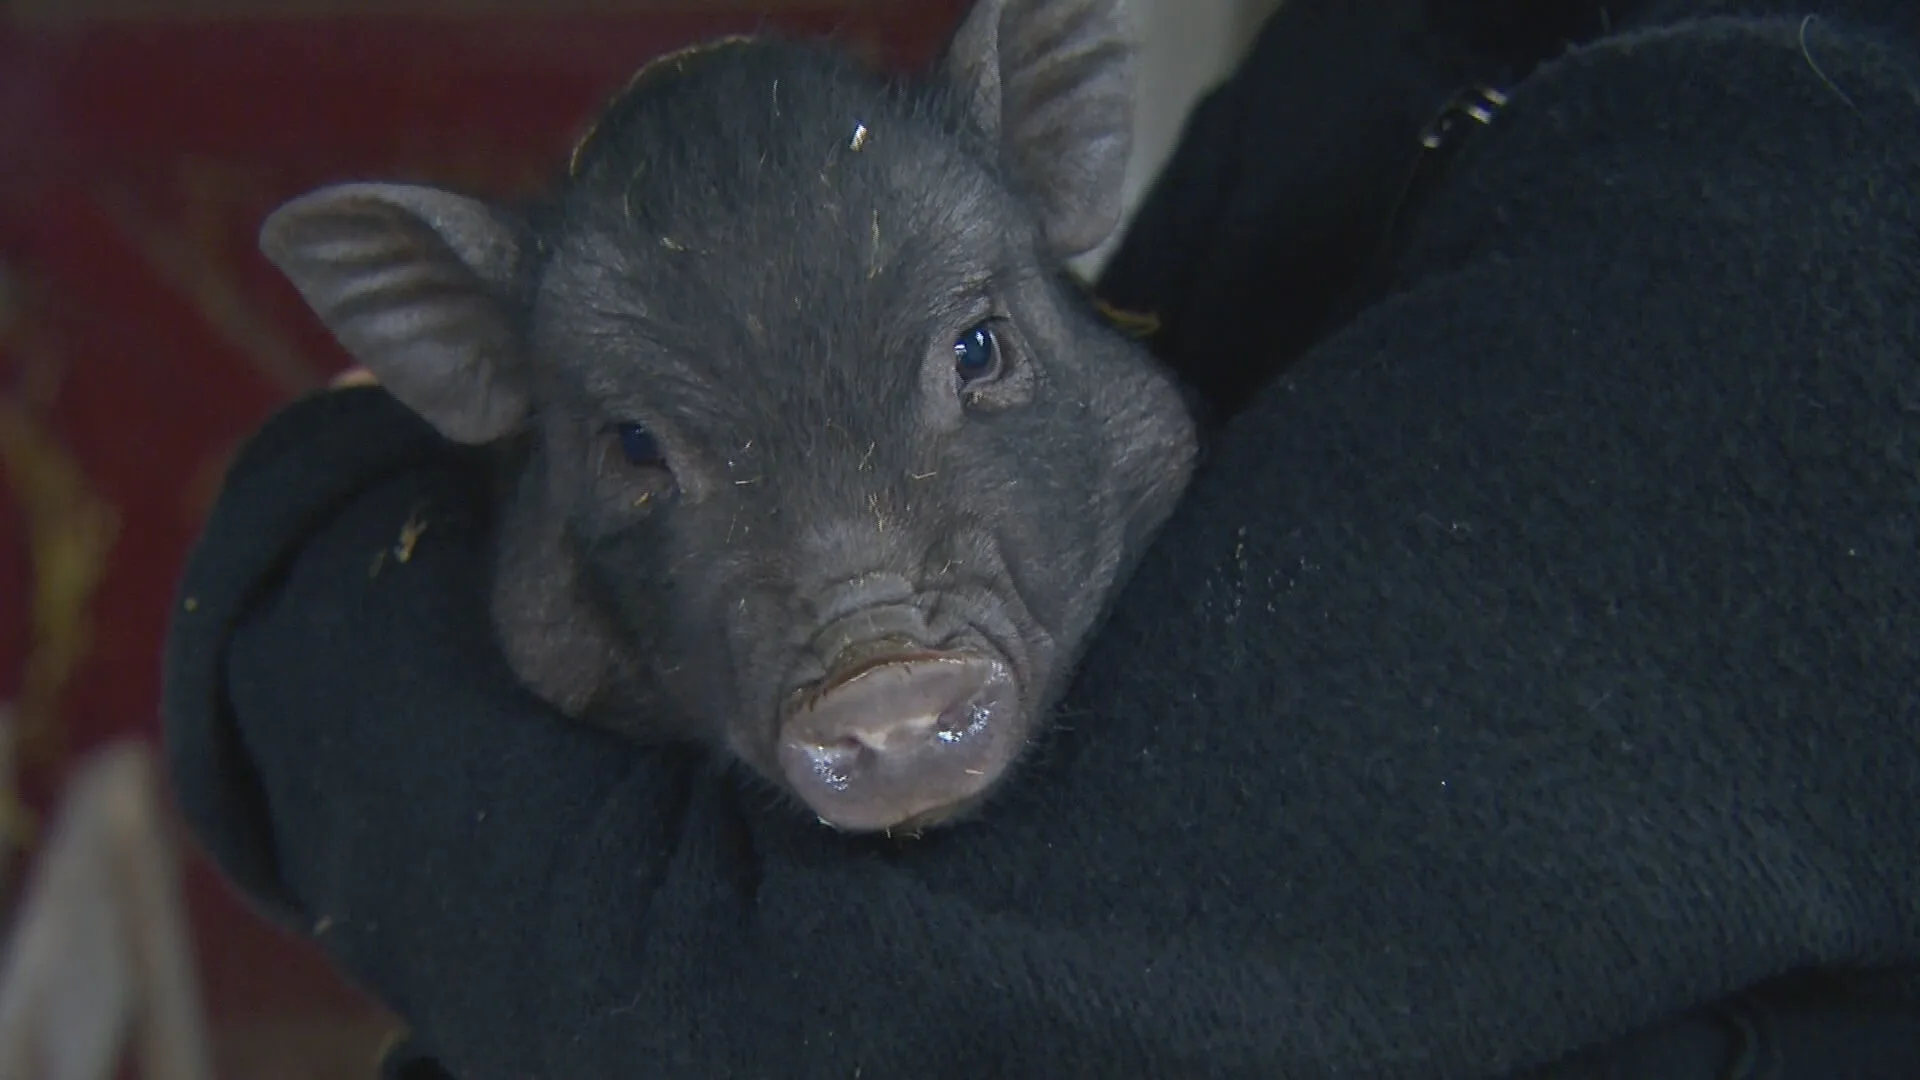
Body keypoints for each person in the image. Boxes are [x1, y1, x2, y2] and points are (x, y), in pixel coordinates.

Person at [161, 0, 1920, 1076]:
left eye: (976, 356)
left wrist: (308, 539)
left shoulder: (1821, 188)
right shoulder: (1406, 40)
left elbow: (806, 1021)